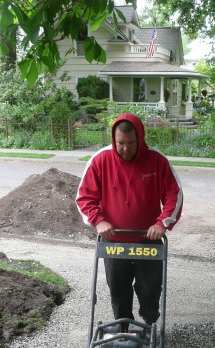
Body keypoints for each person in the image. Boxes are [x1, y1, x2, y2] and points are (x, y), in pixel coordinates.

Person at [76, 112, 183, 326]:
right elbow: (84, 197)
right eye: (120, 143)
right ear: (113, 140)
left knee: (150, 288)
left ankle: (149, 323)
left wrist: (162, 222)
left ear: (140, 139)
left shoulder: (157, 161)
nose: (125, 149)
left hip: (148, 240)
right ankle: (123, 328)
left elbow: (174, 195)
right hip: (114, 241)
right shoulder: (100, 160)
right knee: (118, 288)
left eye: (131, 143)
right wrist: (98, 220)